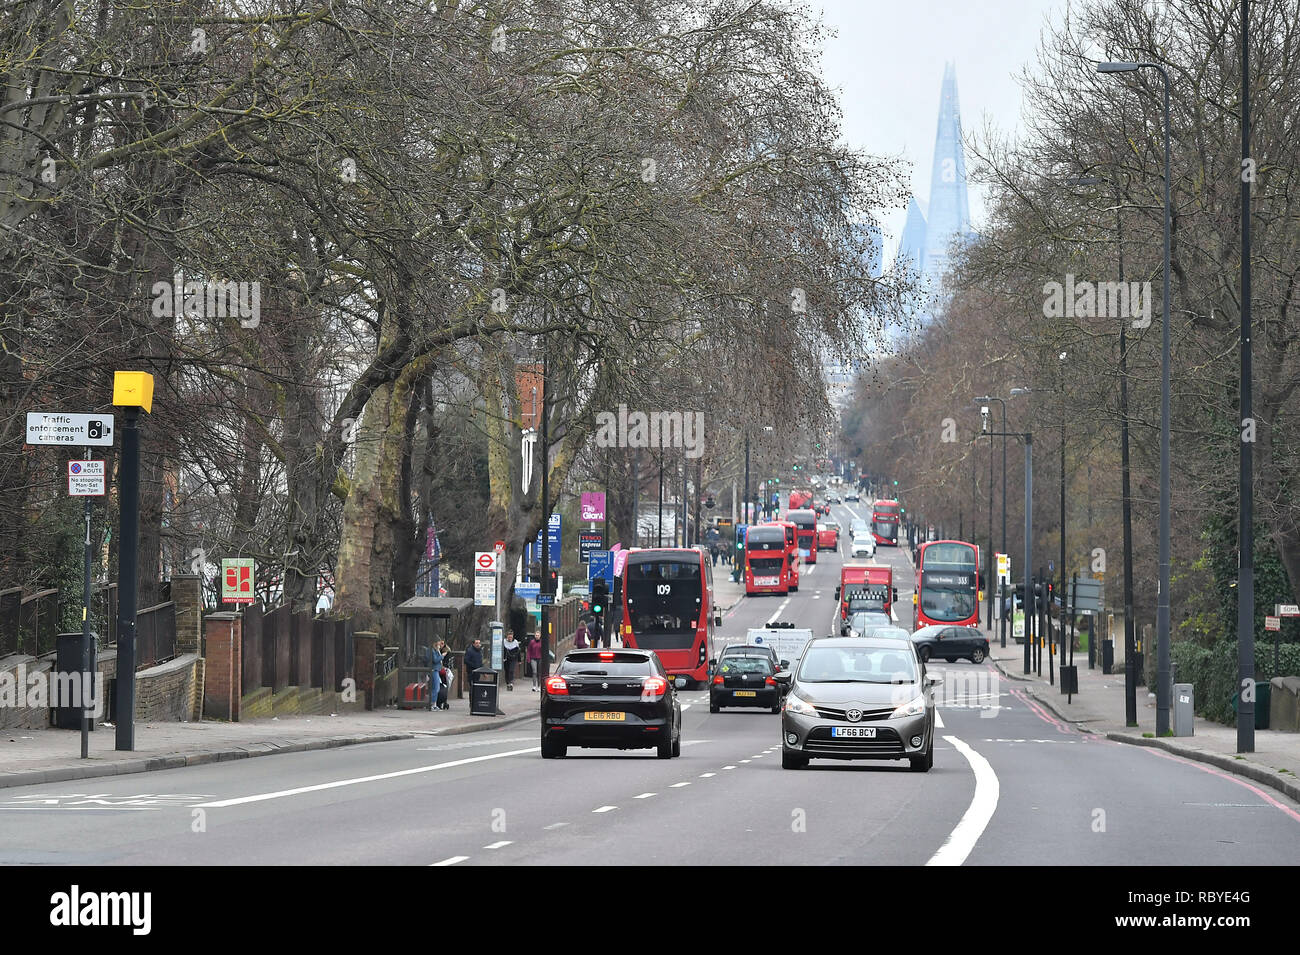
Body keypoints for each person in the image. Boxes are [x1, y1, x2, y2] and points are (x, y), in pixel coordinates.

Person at [428, 642, 443, 713]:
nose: (440, 645)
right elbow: (435, 660)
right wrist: (442, 656)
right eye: (439, 643)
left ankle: (434, 704)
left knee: (436, 688)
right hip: (433, 670)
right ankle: (431, 704)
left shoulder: (436, 650)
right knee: (436, 688)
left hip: (436, 670)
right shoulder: (431, 650)